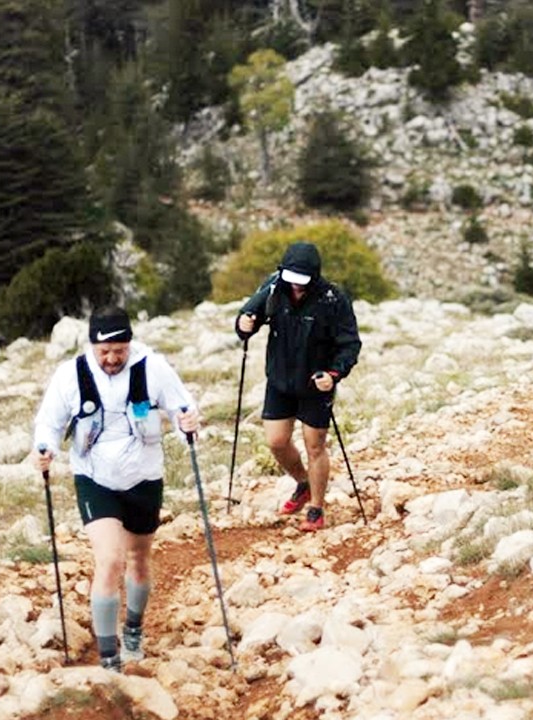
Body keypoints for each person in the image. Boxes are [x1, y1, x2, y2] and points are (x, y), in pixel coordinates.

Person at [33, 306, 200, 672]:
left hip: (144, 476)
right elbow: (49, 421)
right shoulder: (71, 374)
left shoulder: (152, 367)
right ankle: (109, 658)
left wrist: (187, 421)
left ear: (130, 344)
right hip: (94, 477)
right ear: (92, 345)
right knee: (110, 560)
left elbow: (182, 406)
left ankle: (134, 629)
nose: (112, 359)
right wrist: (44, 448)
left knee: (139, 560)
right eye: (104, 352)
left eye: (119, 351)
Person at [235, 242, 362, 532]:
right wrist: (243, 324)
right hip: (279, 380)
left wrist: (334, 374)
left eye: (302, 282)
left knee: (314, 445)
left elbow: (350, 344)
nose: (295, 287)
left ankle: (316, 508)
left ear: (314, 278)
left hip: (317, 383)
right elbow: (248, 319)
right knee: (276, 442)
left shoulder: (333, 299)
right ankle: (303, 483)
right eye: (291, 280)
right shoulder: (272, 288)